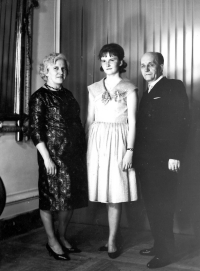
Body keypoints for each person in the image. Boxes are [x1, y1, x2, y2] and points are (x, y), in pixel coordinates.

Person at [29, 53, 88, 261]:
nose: (60, 72)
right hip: (52, 157)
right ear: (46, 72)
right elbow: (35, 130)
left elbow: (77, 124)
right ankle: (51, 240)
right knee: (50, 199)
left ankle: (62, 236)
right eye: (56, 68)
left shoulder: (68, 94)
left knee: (68, 199)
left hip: (72, 156)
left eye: (63, 68)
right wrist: (46, 158)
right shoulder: (39, 97)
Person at [133, 52, 189, 269]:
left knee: (163, 206)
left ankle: (167, 253)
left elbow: (181, 122)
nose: (146, 69)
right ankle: (159, 245)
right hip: (146, 161)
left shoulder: (173, 86)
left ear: (161, 66)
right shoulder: (146, 91)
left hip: (165, 160)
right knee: (152, 205)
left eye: (151, 65)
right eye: (143, 65)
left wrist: (175, 154)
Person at [86, 43, 138, 259]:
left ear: (121, 62)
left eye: (112, 59)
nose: (107, 63)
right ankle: (109, 238)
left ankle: (112, 241)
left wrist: (129, 150)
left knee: (115, 193)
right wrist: (85, 145)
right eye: (103, 59)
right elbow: (90, 119)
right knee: (102, 193)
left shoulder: (129, 88)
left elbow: (133, 121)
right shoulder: (94, 88)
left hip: (118, 143)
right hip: (97, 144)